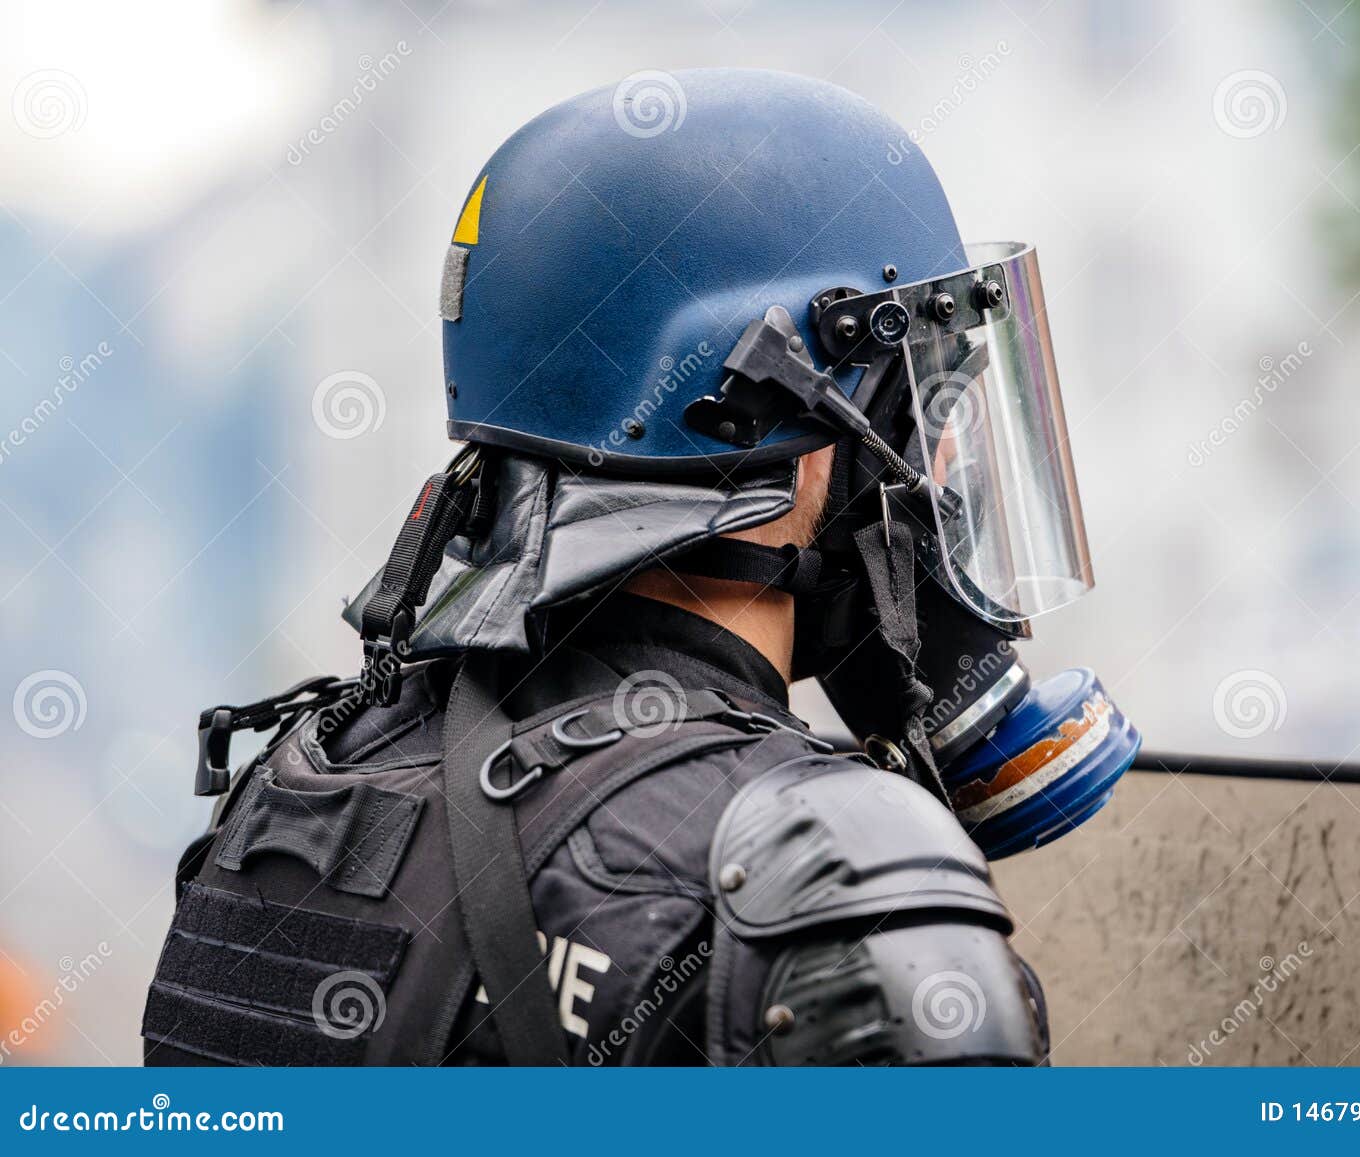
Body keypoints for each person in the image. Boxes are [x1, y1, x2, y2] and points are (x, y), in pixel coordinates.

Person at [141, 68, 1139, 1067]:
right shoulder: (828, 884)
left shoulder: (294, 790)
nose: (935, 462)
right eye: (910, 398)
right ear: (775, 406)